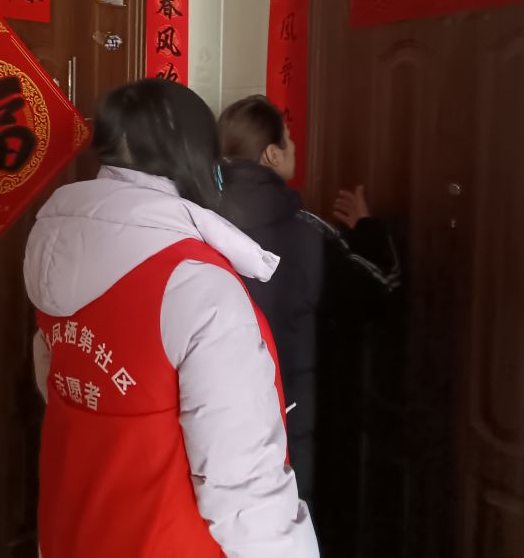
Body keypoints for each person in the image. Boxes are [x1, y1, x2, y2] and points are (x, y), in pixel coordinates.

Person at [25, 79, 319, 558]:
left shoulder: (51, 246)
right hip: (164, 540)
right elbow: (242, 484)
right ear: (194, 152)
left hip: (71, 527)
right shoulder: (197, 283)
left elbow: (55, 380)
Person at [216, 95, 400, 534]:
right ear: (271, 154)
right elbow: (381, 287)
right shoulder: (304, 234)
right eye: (288, 137)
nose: (295, 145)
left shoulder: (200, 222)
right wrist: (368, 229)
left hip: (220, 420)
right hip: (294, 423)